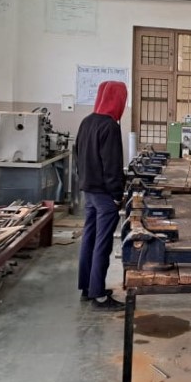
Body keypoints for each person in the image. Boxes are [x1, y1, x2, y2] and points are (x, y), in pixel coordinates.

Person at [75, 80, 128, 310]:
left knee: (89, 238)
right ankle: (99, 295)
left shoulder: (86, 122)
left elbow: (77, 156)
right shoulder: (110, 126)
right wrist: (117, 195)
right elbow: (112, 165)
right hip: (105, 195)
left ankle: (87, 288)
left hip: (89, 192)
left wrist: (86, 182)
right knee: (102, 244)